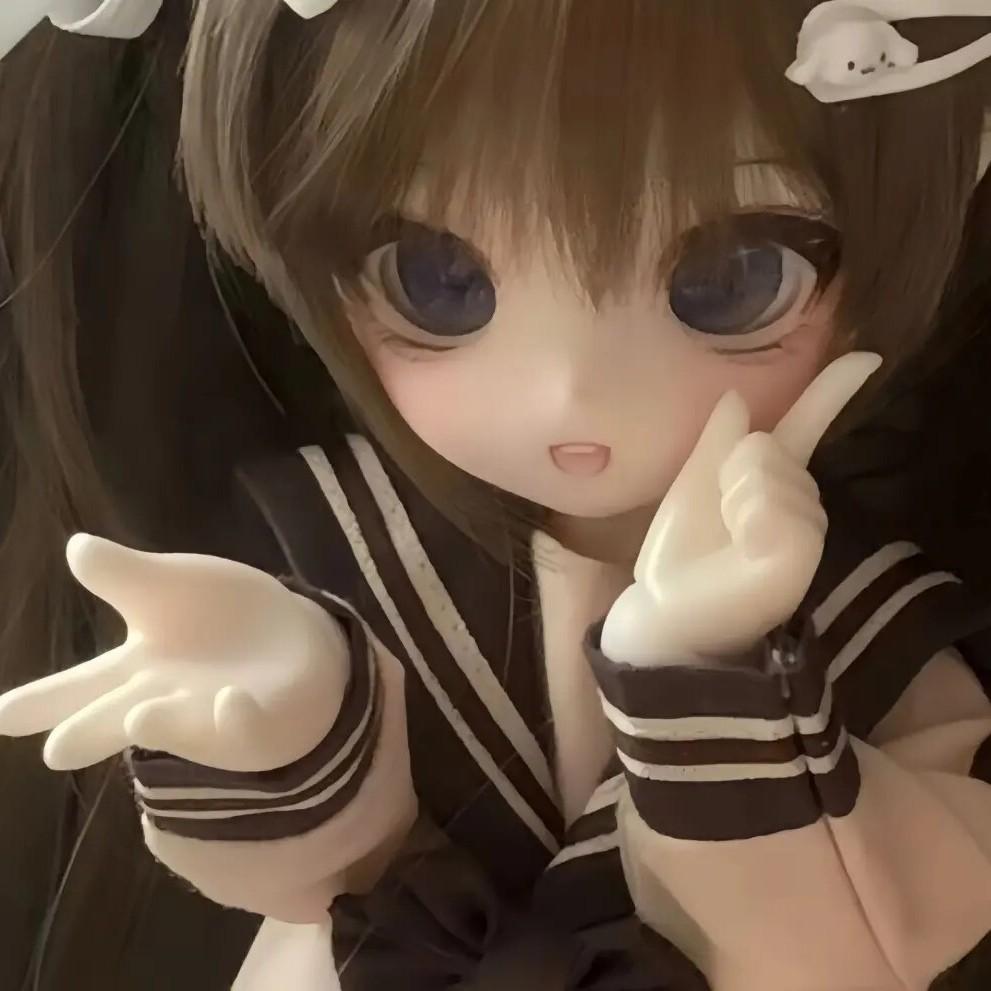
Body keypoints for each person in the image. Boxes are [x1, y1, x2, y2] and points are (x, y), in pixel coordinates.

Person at [3, 2, 991, 988]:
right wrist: (291, 738)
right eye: (437, 279)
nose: (567, 393)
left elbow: (862, 945)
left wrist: (702, 673)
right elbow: (328, 887)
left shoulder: (871, 625)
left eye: (731, 281)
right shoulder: (343, 549)